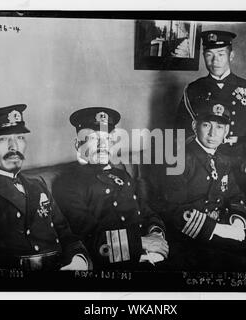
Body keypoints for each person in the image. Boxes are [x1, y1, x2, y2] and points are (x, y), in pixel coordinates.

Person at [0, 104, 90, 272]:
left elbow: (65, 233)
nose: (14, 147)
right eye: (3, 139)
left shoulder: (38, 185)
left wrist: (79, 260)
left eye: (20, 137)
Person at [52, 107, 169, 270]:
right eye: (93, 138)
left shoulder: (122, 175)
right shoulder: (68, 183)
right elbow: (87, 239)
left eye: (107, 138)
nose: (102, 145)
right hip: (113, 264)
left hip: (151, 255)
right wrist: (142, 242)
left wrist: (156, 233)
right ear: (78, 144)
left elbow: (147, 212)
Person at [163, 100, 246, 270]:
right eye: (207, 125)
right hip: (190, 238)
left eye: (220, 127)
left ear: (226, 132)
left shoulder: (222, 161)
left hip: (221, 229)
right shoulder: (177, 159)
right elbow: (172, 209)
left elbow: (236, 196)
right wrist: (218, 230)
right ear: (195, 126)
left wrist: (236, 221)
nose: (213, 133)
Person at [175, 30, 246, 176]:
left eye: (221, 54)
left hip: (241, 163)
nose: (215, 60)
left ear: (231, 56)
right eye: (209, 54)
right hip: (203, 164)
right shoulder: (193, 89)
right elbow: (181, 129)